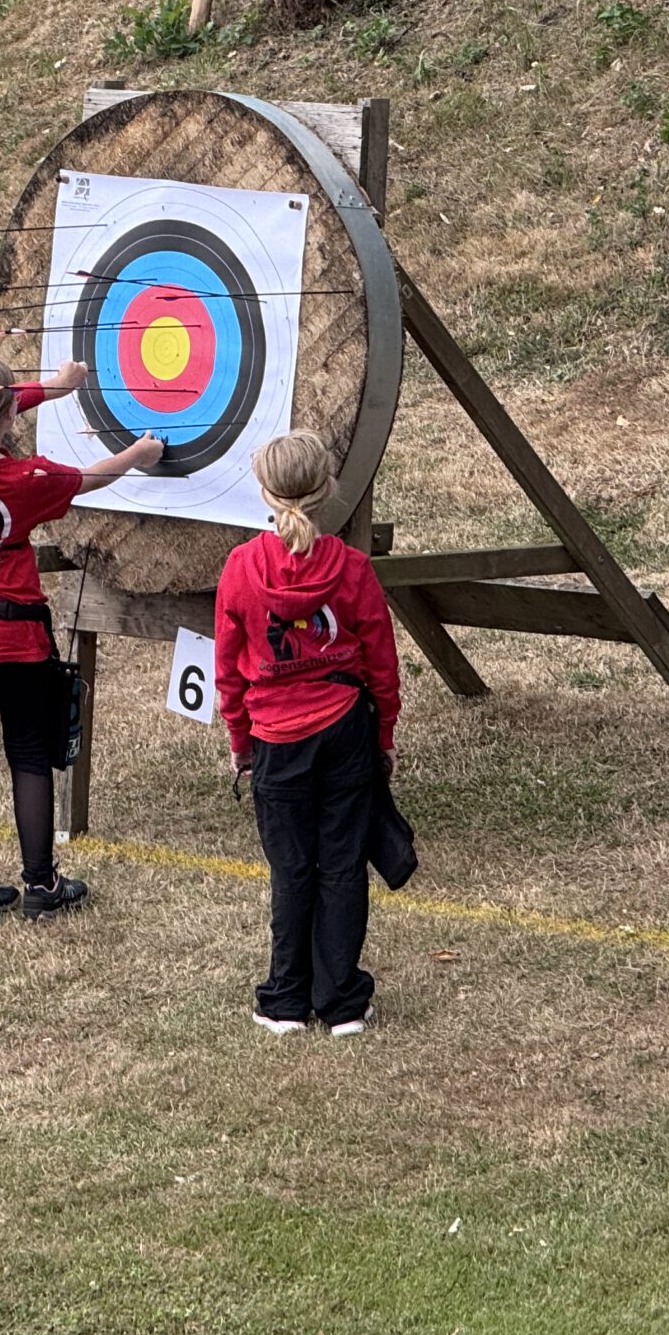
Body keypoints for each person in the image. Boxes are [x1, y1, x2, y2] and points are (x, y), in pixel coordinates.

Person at [0, 355, 161, 925]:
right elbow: (92, 478)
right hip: (13, 639)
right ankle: (41, 885)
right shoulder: (27, 480)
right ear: (5, 411)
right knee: (28, 754)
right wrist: (139, 454)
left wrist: (53, 388)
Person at [214, 431, 403, 1038]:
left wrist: (241, 741)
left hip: (275, 736)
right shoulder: (352, 568)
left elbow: (228, 670)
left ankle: (285, 1001)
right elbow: (381, 664)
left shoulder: (241, 568)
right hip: (344, 729)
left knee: (291, 869)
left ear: (265, 493)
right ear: (326, 490)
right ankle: (341, 1003)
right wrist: (383, 735)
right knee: (341, 863)